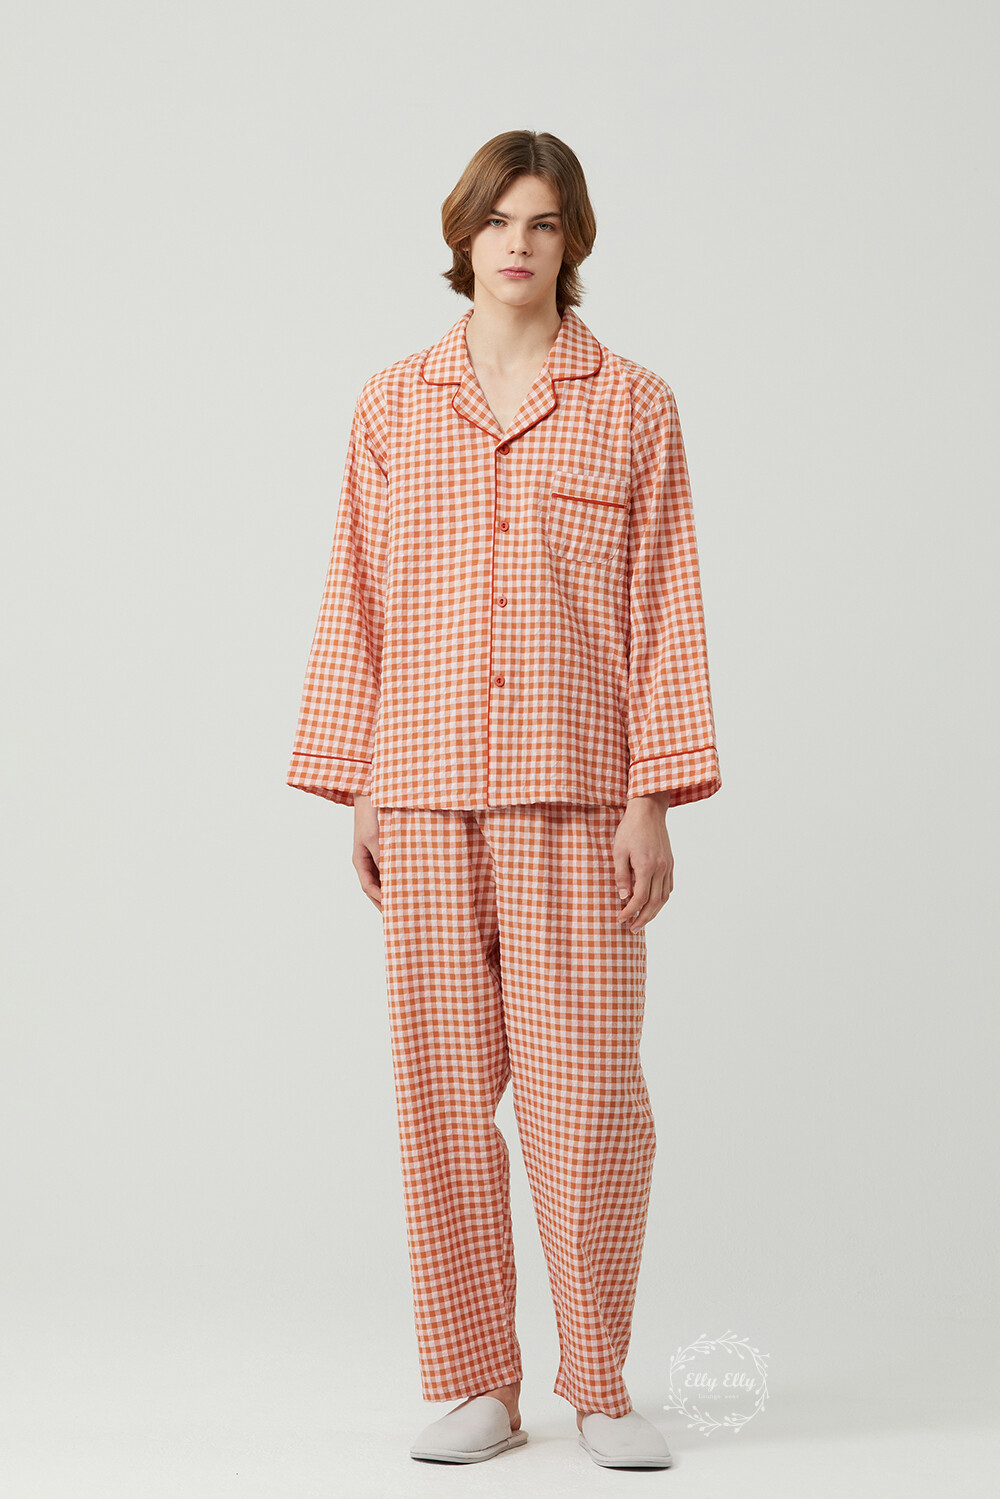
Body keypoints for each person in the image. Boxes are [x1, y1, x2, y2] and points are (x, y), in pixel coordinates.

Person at [286, 129, 721, 1470]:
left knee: (589, 1104)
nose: (517, 244)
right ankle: (478, 1380)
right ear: (462, 237)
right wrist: (359, 782)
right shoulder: (391, 404)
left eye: (540, 221)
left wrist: (654, 796)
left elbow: (665, 609)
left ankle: (599, 1382)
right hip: (423, 793)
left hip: (576, 798)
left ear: (572, 239)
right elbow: (358, 596)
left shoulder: (632, 405)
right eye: (495, 221)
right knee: (441, 1096)